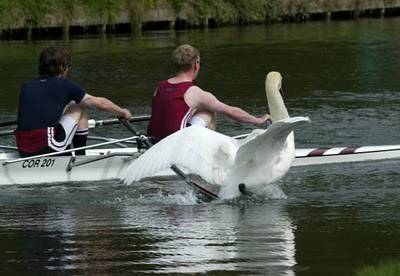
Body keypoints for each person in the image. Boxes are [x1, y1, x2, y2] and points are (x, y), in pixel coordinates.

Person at [15, 46, 132, 157]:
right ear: (62, 67)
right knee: (79, 105)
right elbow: (101, 104)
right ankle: (80, 155)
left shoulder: (27, 86)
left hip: (23, 149)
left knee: (68, 106)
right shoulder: (65, 85)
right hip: (47, 148)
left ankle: (66, 151)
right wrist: (123, 112)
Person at [147, 44, 271, 142]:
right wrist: (258, 120)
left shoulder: (161, 86)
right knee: (209, 111)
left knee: (197, 110)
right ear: (195, 65)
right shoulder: (195, 93)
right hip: (174, 148)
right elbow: (232, 112)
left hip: (152, 143)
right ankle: (207, 156)